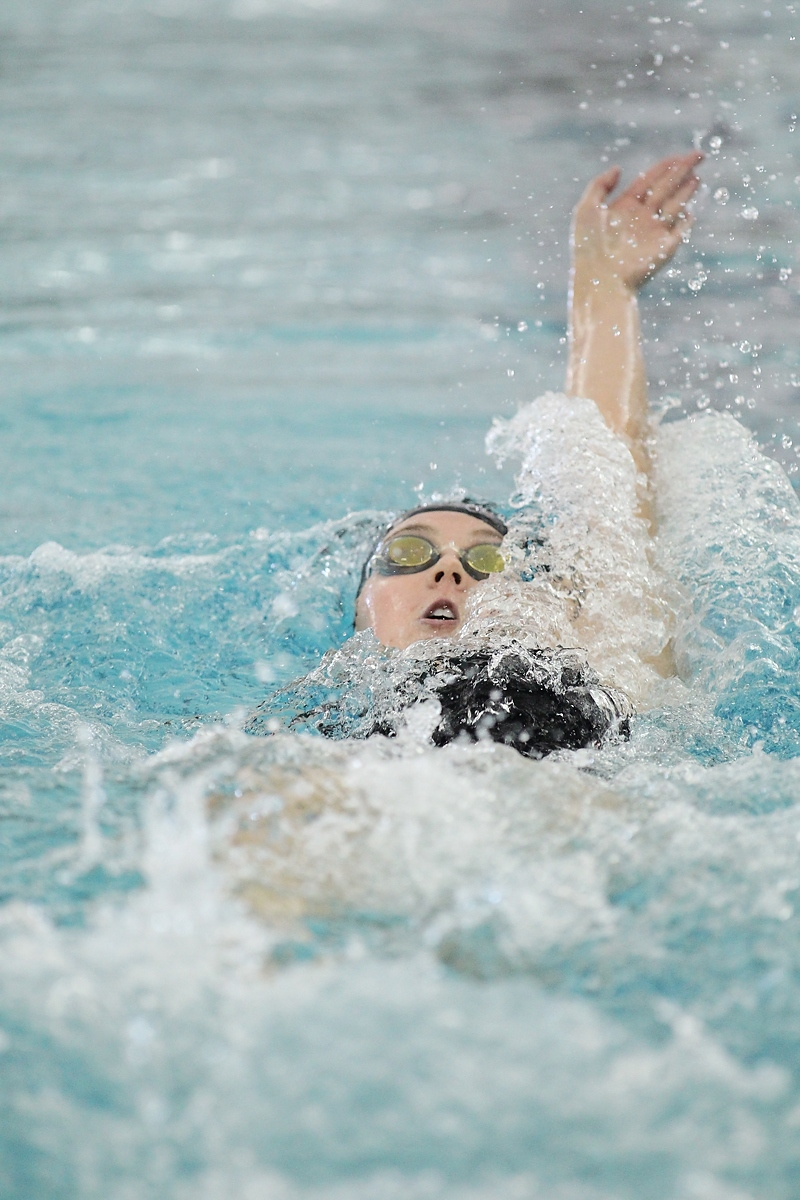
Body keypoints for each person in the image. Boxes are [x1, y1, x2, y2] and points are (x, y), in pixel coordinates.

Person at [249, 152, 704, 757]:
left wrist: (605, 284)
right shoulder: (316, 745)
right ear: (359, 612)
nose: (449, 570)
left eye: (488, 560)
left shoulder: (604, 671)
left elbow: (608, 478)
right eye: (407, 554)